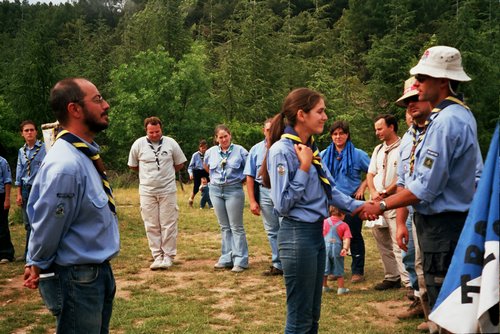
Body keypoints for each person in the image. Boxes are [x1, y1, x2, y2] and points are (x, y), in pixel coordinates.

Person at [359, 46, 483, 316]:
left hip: (444, 226)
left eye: (423, 78)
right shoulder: (452, 117)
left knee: (446, 305)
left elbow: (425, 187)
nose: (417, 84)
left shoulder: (446, 122)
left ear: (442, 81)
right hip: (441, 225)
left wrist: (380, 206)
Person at [23, 77, 120, 333]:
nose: (106, 105)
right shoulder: (66, 165)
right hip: (78, 279)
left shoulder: (83, 155)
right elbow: (48, 224)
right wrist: (37, 262)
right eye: (97, 99)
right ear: (74, 109)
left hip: (95, 274)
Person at [264, 88, 364, 333]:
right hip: (297, 236)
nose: (325, 117)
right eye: (320, 111)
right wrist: (304, 168)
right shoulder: (283, 151)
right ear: (301, 114)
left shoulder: (310, 147)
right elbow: (282, 204)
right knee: (299, 317)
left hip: (315, 235)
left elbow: (332, 191)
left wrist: (362, 207)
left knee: (312, 314)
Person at [394, 77, 436, 332]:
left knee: (440, 269)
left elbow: (424, 186)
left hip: (446, 216)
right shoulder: (408, 139)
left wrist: (381, 205)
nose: (411, 105)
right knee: (420, 266)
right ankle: (430, 315)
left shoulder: (441, 128)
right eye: (407, 101)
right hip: (417, 214)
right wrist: (400, 222)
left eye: (416, 98)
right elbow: (402, 181)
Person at [128, 116, 187, 270]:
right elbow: (133, 166)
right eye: (151, 132)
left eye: (157, 131)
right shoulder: (138, 144)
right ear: (146, 131)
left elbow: (179, 163)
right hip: (147, 191)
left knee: (168, 223)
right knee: (151, 224)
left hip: (167, 190)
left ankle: (168, 256)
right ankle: (156, 256)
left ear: (162, 129)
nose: (154, 135)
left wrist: (165, 175)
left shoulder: (171, 143)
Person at [320, 120, 370, 283]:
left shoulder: (358, 154)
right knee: (332, 237)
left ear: (347, 135)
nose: (338, 137)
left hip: (352, 200)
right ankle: (335, 269)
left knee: (354, 235)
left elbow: (373, 172)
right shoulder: (324, 155)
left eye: (341, 133)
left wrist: (363, 187)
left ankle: (357, 271)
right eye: (335, 134)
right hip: (332, 202)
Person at [366, 114, 411, 291]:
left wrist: (387, 192)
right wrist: (374, 192)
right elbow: (371, 173)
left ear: (391, 127)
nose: (377, 132)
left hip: (394, 201)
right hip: (376, 201)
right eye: (376, 129)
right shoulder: (377, 149)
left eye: (380, 128)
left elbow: (402, 176)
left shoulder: (403, 147)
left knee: (397, 240)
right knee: (381, 239)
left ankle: (408, 281)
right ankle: (391, 276)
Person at [204, 124, 249, 273]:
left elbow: (249, 169)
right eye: (220, 137)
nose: (223, 139)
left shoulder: (241, 151)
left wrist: (240, 180)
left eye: (225, 136)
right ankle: (226, 258)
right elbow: (207, 167)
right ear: (216, 139)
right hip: (215, 190)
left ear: (230, 135)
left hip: (233, 189)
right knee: (224, 226)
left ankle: (240, 260)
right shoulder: (210, 152)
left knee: (236, 226)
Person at [244, 118, 282, 276]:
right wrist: (252, 201)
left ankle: (290, 263)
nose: (270, 132)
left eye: (272, 129)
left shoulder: (284, 148)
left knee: (286, 228)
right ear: (263, 131)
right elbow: (250, 176)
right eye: (267, 129)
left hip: (281, 191)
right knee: (272, 230)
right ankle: (277, 264)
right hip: (265, 192)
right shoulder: (255, 150)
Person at [15, 120, 47, 260]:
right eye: (26, 130)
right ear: (22, 134)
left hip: (40, 188)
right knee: (28, 223)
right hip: (26, 189)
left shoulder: (44, 148)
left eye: (32, 130)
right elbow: (19, 173)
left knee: (40, 221)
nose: (29, 133)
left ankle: (41, 252)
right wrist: (18, 193)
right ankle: (29, 252)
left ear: (36, 132)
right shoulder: (22, 152)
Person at [322, 206, 351, 295]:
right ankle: (341, 288)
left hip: (325, 248)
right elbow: (346, 238)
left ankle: (324, 287)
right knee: (339, 267)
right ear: (342, 214)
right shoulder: (344, 225)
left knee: (324, 268)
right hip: (337, 249)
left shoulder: (324, 222)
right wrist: (345, 248)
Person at [187, 140, 210, 207]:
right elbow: (190, 167)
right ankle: (191, 199)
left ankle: (210, 202)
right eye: (202, 148)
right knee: (196, 187)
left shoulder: (208, 154)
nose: (203, 149)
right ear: (199, 148)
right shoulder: (195, 155)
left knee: (210, 186)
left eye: (205, 148)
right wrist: (191, 174)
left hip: (205, 171)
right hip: (197, 171)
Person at [0, 155, 14, 263]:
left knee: (2, 226)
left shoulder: (2, 161)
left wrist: (7, 199)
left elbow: (7, 181)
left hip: (1, 195)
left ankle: (6, 253)